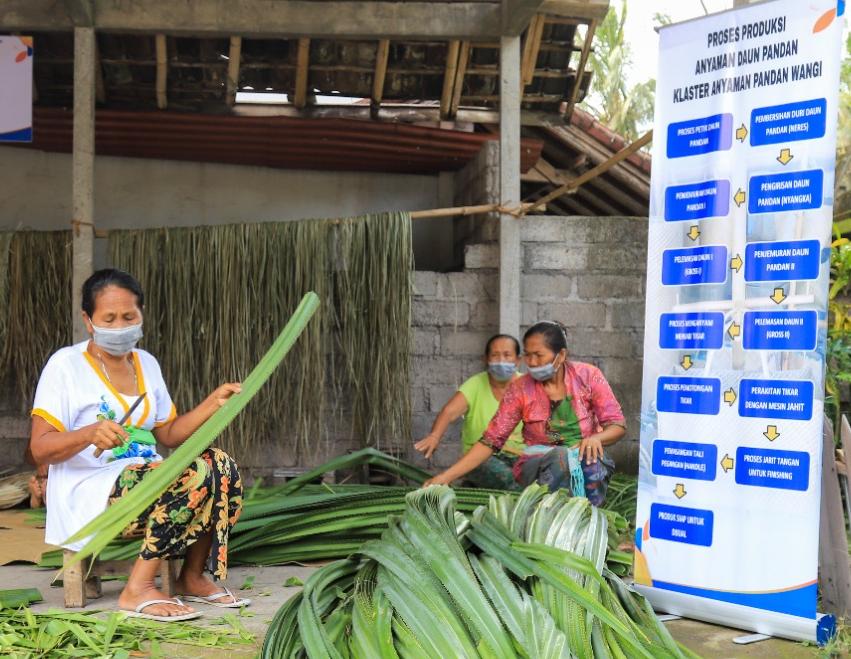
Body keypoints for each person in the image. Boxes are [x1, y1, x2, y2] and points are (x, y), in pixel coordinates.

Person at [29, 269, 249, 621]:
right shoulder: (65, 365)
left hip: (147, 479)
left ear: (141, 313)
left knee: (221, 465)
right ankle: (138, 589)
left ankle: (191, 576)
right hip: (90, 488)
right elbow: (40, 448)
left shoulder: (146, 363)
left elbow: (169, 434)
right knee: (185, 476)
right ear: (88, 320)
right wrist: (88, 433)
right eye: (109, 318)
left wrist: (214, 403)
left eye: (128, 317)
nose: (120, 327)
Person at [423, 321, 626, 506]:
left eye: (539, 355)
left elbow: (617, 425)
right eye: (528, 355)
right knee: (561, 457)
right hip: (537, 462)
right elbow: (490, 442)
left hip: (583, 457)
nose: (532, 362)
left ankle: (588, 520)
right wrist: (445, 477)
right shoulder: (520, 389)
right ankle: (550, 522)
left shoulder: (588, 376)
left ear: (561, 355)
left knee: (592, 463)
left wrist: (596, 438)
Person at [414, 334, 524, 490]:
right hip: (480, 458)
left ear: (518, 360)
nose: (501, 361)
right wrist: (434, 436)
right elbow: (449, 411)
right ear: (486, 359)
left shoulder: (529, 388)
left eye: (507, 355)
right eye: (495, 355)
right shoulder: (475, 385)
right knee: (505, 478)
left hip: (521, 457)